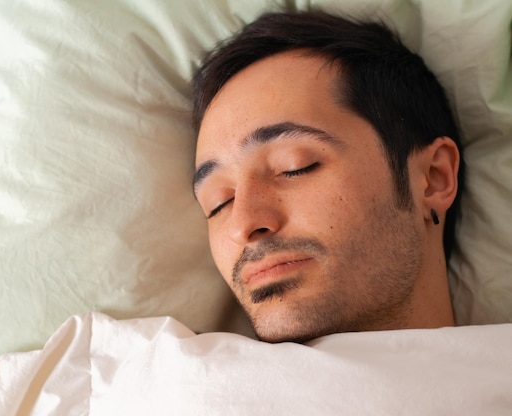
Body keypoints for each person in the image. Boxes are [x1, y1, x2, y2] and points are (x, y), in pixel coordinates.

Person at [191, 10, 465, 344]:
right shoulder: (146, 373)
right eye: (219, 203)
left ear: (434, 178)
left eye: (295, 167)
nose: (242, 224)